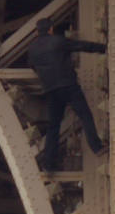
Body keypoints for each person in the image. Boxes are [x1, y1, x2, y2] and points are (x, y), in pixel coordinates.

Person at [26, 18, 107, 172]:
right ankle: (96, 147)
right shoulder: (58, 41)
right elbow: (82, 46)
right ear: (51, 29)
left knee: (53, 127)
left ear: (37, 32)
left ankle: (48, 164)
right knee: (85, 115)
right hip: (68, 86)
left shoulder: (32, 49)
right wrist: (104, 48)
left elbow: (32, 65)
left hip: (50, 90)